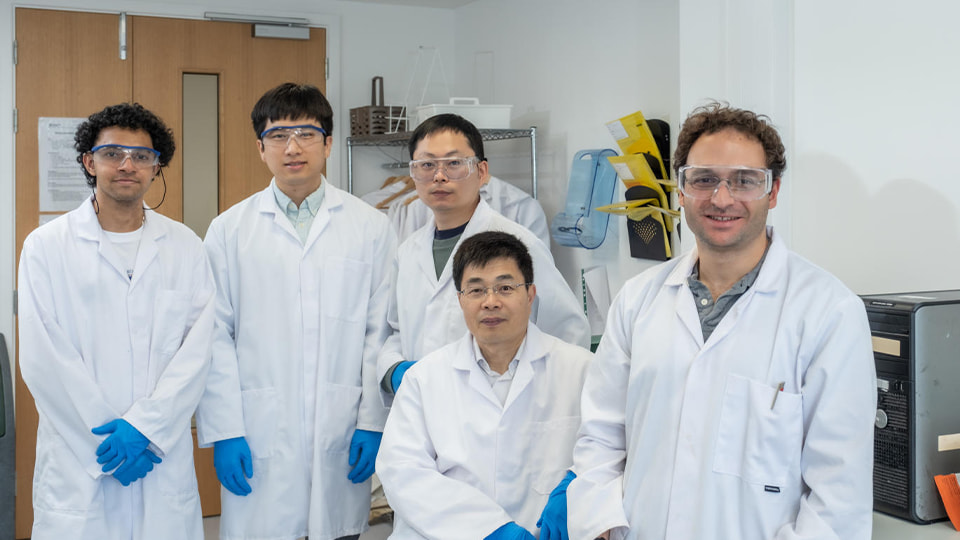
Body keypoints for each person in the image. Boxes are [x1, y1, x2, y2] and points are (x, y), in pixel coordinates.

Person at [568, 103, 876, 540]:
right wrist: (601, 523)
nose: (722, 198)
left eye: (745, 181)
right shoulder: (638, 301)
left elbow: (838, 492)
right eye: (704, 179)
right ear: (681, 190)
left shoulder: (828, 311)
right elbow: (600, 436)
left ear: (773, 192)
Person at [196, 82, 396, 540]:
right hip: (258, 426)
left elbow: (378, 331)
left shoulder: (370, 227)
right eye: (278, 136)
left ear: (327, 143)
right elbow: (213, 335)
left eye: (306, 134)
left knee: (338, 531)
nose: (292, 148)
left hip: (342, 425)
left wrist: (372, 422)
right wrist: (225, 430)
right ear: (260, 148)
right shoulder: (229, 230)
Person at [17, 103, 215, 539]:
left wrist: (146, 428)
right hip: (80, 458)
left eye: (142, 156)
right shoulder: (46, 247)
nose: (127, 165)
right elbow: (43, 357)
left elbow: (197, 351)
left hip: (157, 453)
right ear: (89, 161)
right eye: (112, 153)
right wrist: (107, 445)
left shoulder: (184, 246)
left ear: (156, 166)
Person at [377, 231, 592, 540]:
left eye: (505, 288)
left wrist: (578, 479)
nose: (491, 302)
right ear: (460, 299)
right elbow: (403, 473)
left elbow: (608, 450)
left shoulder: (581, 371)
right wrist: (492, 530)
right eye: (476, 290)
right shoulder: (423, 380)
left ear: (530, 295)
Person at [377, 113, 589, 404]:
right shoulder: (408, 251)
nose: (439, 176)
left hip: (500, 410)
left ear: (482, 171)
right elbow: (397, 331)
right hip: (422, 409)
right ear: (413, 174)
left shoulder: (519, 244)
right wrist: (394, 371)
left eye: (454, 163)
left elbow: (567, 333)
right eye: (426, 165)